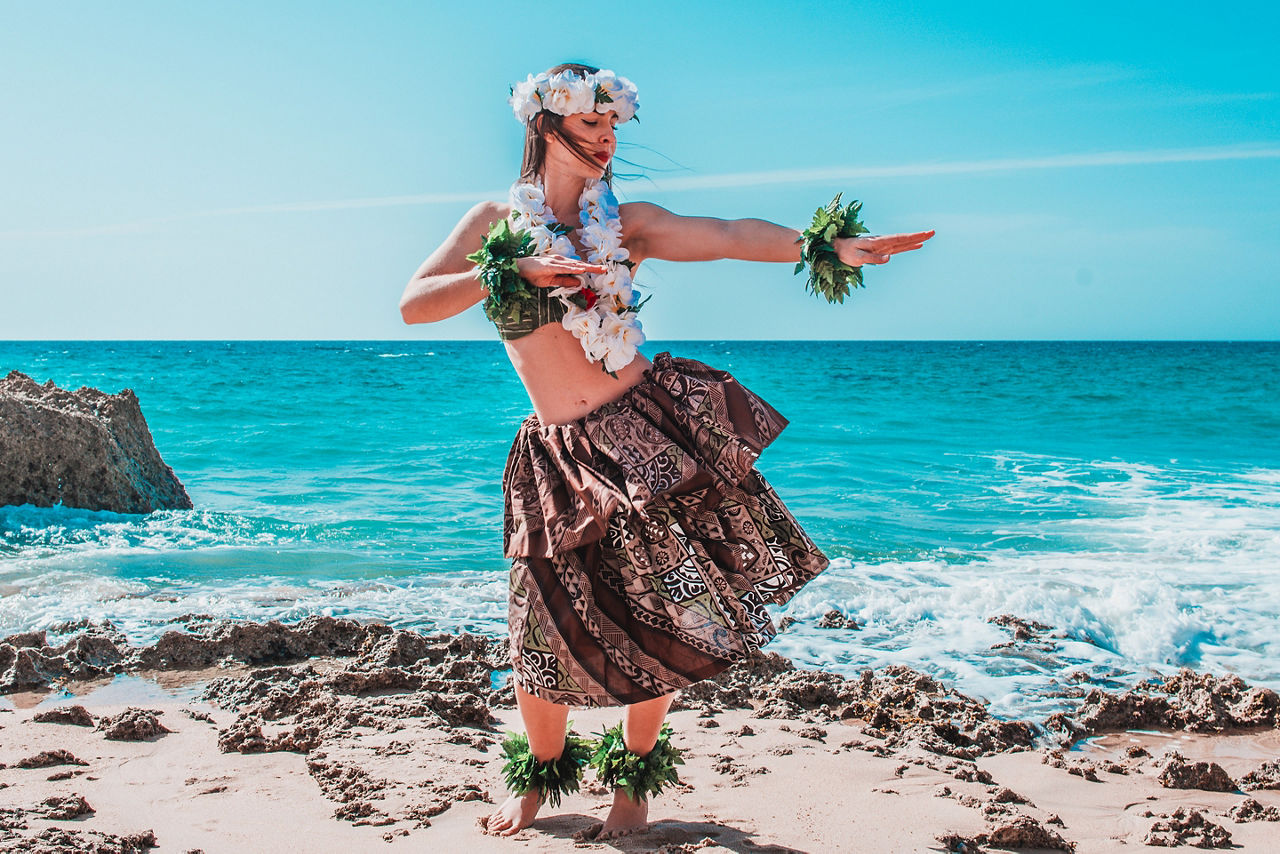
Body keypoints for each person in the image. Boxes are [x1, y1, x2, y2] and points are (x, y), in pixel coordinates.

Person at [400, 62, 933, 840]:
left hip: (644, 430)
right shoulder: (494, 225)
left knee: (669, 613)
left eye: (615, 126)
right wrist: (512, 270)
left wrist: (830, 247)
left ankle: (633, 784)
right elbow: (415, 304)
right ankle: (538, 781)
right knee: (539, 622)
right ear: (545, 125)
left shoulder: (629, 224)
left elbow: (724, 236)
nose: (608, 140)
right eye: (592, 126)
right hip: (556, 451)